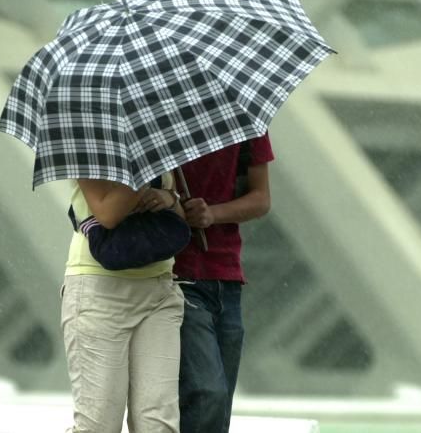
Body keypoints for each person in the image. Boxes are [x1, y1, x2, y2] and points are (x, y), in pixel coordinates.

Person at [61, 172, 186, 433]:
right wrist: (143, 176)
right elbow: (108, 214)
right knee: (99, 425)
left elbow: (178, 217)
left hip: (159, 291)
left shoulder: (155, 140)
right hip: (98, 291)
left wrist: (169, 199)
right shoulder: (87, 138)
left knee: (159, 424)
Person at [174, 134, 274, 433]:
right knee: (207, 393)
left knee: (219, 405)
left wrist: (211, 214)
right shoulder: (159, 116)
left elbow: (261, 198)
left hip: (228, 278)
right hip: (178, 277)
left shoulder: (243, 119)